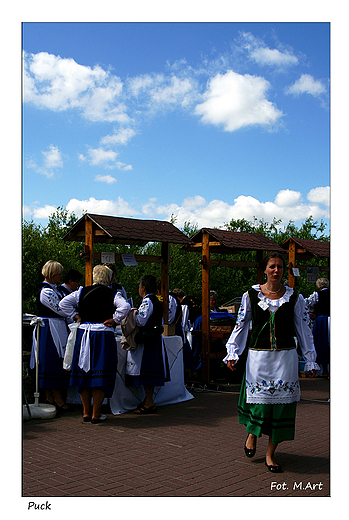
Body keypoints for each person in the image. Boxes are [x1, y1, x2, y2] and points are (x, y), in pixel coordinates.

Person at [224, 252, 319, 473]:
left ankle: (270, 454)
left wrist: (311, 359)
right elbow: (240, 325)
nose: (276, 270)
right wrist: (232, 352)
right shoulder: (251, 295)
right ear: (265, 270)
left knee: (282, 408)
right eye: (272, 266)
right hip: (259, 359)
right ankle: (252, 434)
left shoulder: (295, 298)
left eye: (279, 267)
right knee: (260, 404)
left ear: (283, 270)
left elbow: (304, 329)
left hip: (285, 359)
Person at [59, 265, 130, 423]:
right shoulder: (113, 294)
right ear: (108, 278)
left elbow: (63, 304)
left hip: (84, 332)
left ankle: (86, 412)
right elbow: (125, 307)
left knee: (84, 373)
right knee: (100, 372)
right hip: (103, 333)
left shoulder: (81, 292)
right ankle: (96, 414)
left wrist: (75, 316)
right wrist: (115, 320)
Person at [30, 260, 71, 411]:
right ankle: (54, 397)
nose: (61, 276)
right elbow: (60, 309)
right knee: (50, 360)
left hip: (58, 326)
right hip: (49, 328)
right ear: (52, 275)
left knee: (56, 360)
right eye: (59, 273)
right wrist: (72, 313)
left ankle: (52, 396)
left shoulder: (56, 290)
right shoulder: (46, 291)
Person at [126, 275, 170, 414]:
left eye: (139, 287)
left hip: (149, 340)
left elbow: (141, 320)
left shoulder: (147, 302)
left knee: (147, 369)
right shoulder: (156, 300)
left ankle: (149, 402)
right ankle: (148, 400)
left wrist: (131, 314)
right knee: (149, 369)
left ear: (143, 288)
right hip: (154, 339)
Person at [307, 278, 330, 377]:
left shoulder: (317, 295)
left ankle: (320, 370)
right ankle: (326, 370)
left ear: (318, 286)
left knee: (320, 343)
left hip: (322, 321)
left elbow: (306, 303)